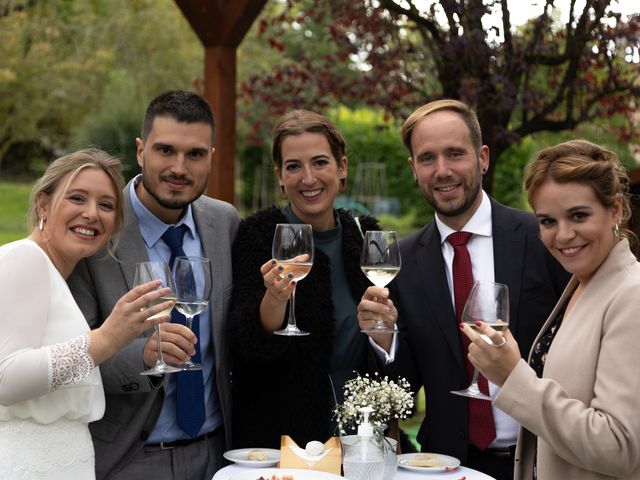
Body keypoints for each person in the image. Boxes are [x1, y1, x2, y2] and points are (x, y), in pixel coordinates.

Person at [357, 99, 569, 479]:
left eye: (455, 154)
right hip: (447, 466)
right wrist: (383, 338)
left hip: (543, 462)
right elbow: (403, 392)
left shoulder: (542, 238)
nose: (442, 171)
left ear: (483, 157)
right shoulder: (402, 263)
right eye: (427, 158)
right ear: (413, 169)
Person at [67, 90, 239, 480]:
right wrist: (141, 355)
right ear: (141, 150)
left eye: (195, 154)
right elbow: (70, 357)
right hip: (131, 458)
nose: (179, 167)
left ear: (211, 156)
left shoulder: (224, 222)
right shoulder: (97, 230)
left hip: (218, 455)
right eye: (165, 150)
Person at [462, 139, 640, 479]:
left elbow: (618, 446)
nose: (563, 235)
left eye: (578, 215)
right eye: (547, 221)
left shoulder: (631, 295)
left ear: (615, 210)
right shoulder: (582, 284)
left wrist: (513, 377)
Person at [0, 149, 172, 479]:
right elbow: (6, 379)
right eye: (77, 198)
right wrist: (108, 338)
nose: (92, 214)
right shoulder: (27, 260)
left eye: (106, 205)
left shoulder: (52, 273)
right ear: (43, 205)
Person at [228, 109, 380, 449]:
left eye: (320, 162)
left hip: (360, 439)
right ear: (280, 176)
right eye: (294, 166)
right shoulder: (258, 235)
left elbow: (389, 347)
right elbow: (246, 346)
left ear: (341, 168)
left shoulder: (364, 235)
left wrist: (386, 330)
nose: (308, 178)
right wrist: (275, 299)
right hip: (283, 440)